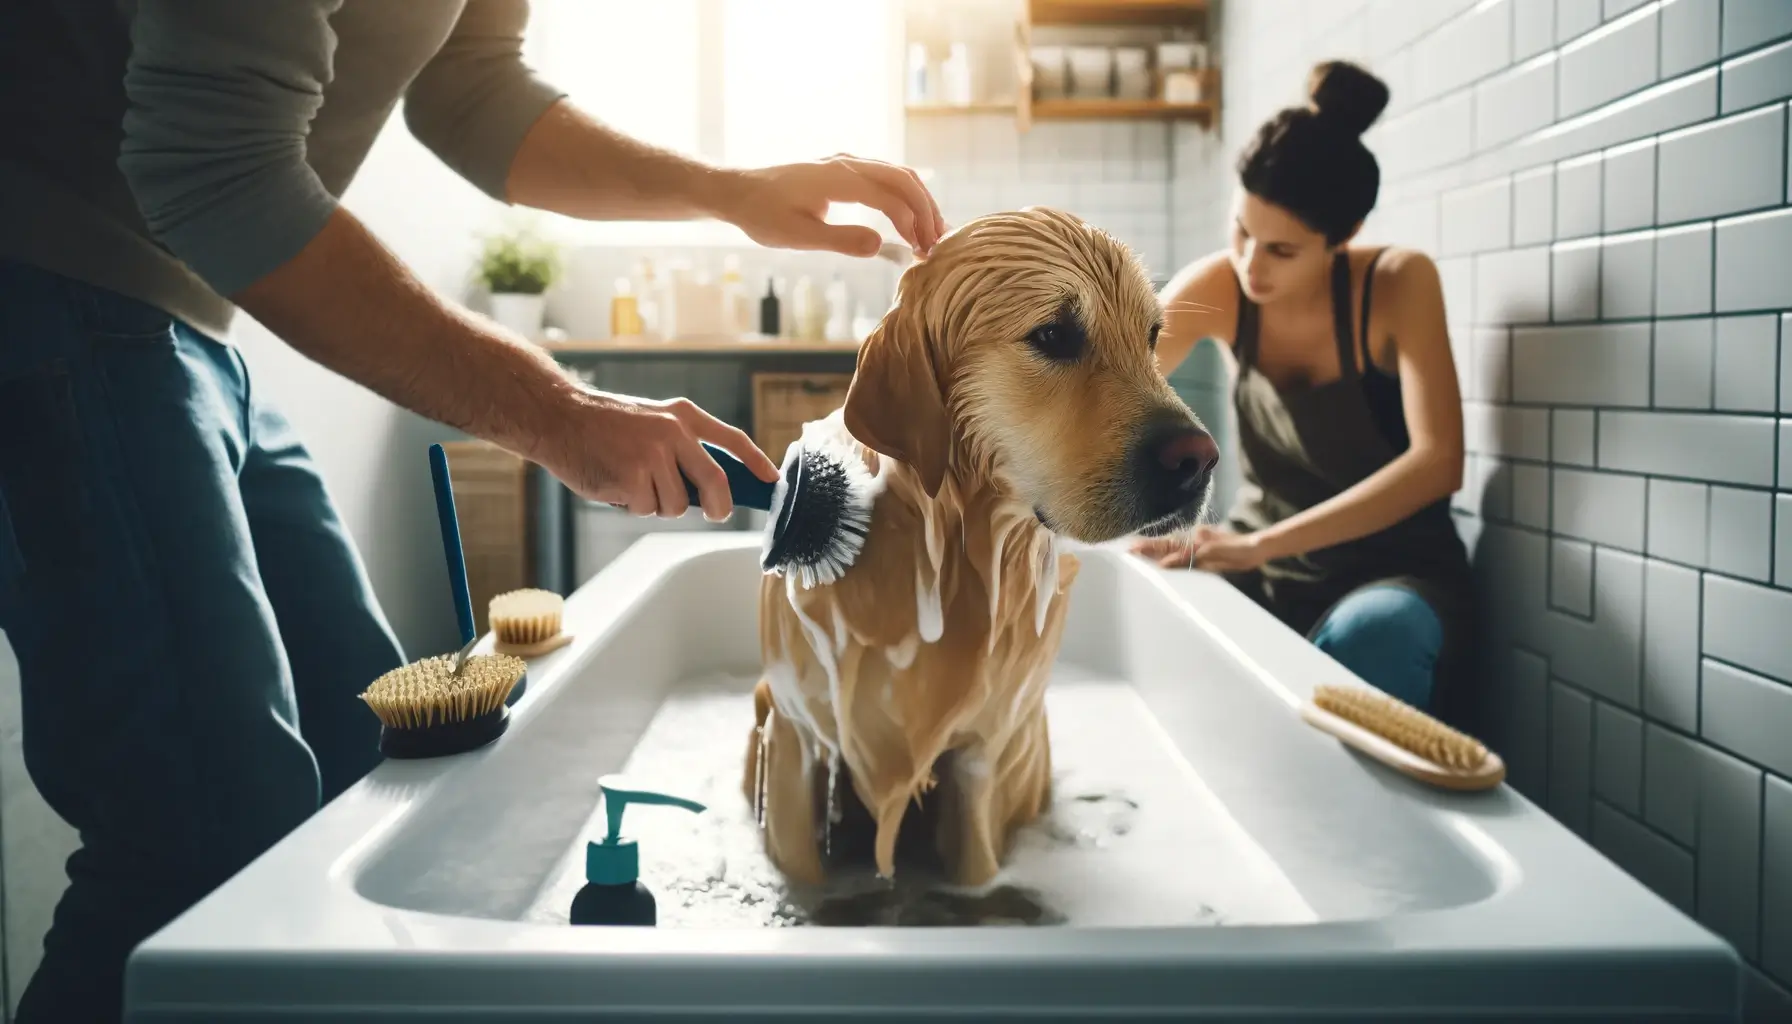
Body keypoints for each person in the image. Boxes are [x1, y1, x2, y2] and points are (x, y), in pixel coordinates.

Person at [0, 2, 944, 1020]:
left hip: (188, 320)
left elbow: (472, 91)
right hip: (50, 285)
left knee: (362, 766)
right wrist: (557, 411)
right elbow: (212, 167)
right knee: (194, 838)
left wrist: (731, 192)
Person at [1135, 60, 1475, 718]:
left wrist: (1260, 544)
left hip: (1390, 574)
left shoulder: (1400, 284)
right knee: (1162, 617)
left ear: (1343, 238)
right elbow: (1116, 374)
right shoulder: (1224, 284)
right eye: (1241, 231)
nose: (1251, 265)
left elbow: (1438, 464)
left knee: (1374, 637)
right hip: (1261, 564)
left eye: (1282, 251)